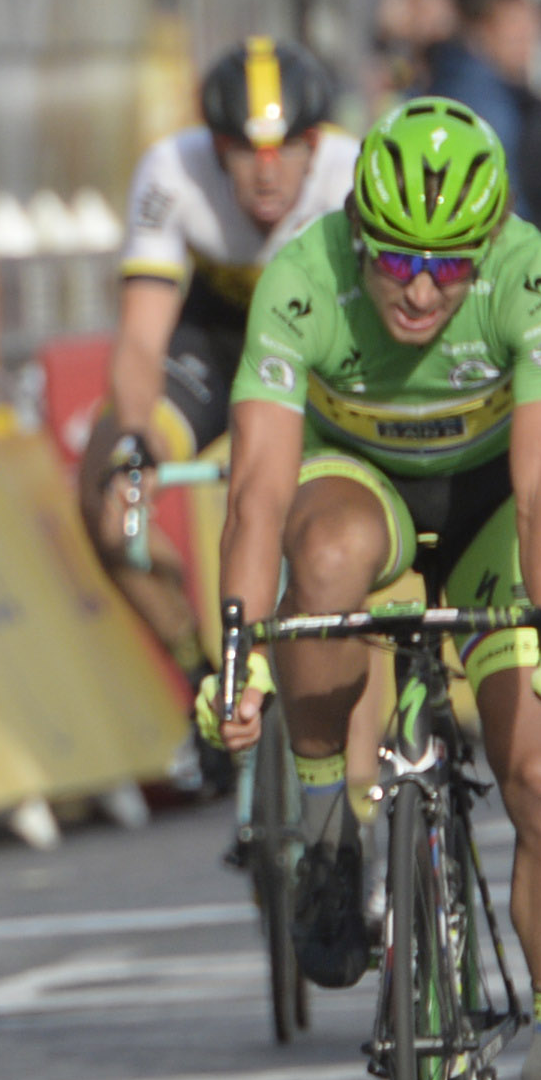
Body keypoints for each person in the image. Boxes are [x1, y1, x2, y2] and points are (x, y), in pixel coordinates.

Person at [209, 99, 541, 1080]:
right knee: (324, 558)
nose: (420, 291)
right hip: (366, 490)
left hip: (489, 510)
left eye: (445, 267)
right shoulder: (303, 278)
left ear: (484, 247)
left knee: (540, 772)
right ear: (357, 232)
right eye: (394, 262)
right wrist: (235, 654)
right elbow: (255, 493)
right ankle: (333, 830)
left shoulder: (530, 273)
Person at [81, 38, 357, 684]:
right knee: (108, 499)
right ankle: (205, 679)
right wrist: (135, 445)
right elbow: (143, 342)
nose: (267, 175)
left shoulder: (352, 175)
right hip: (212, 341)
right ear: (215, 147)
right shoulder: (172, 172)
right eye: (243, 153)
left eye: (286, 150)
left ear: (315, 145)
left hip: (317, 349)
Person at [427, 0, 541, 239]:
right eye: (515, 35)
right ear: (484, 31)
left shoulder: (489, 87)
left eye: (531, 36)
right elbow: (501, 195)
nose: (526, 48)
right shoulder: (487, 105)